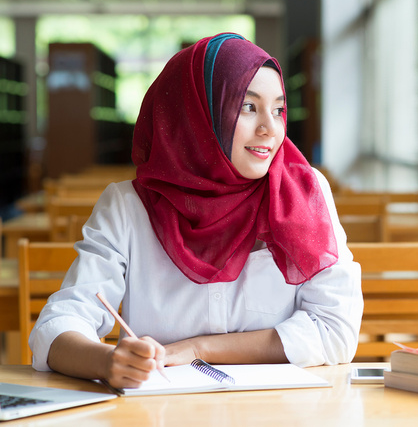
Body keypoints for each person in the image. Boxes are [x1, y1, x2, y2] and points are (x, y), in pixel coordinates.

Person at [29, 33, 363, 389]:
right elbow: (57, 327)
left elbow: (336, 331)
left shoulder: (304, 193)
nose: (270, 128)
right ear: (197, 114)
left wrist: (197, 348)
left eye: (278, 109)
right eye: (248, 107)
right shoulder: (127, 207)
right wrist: (109, 360)